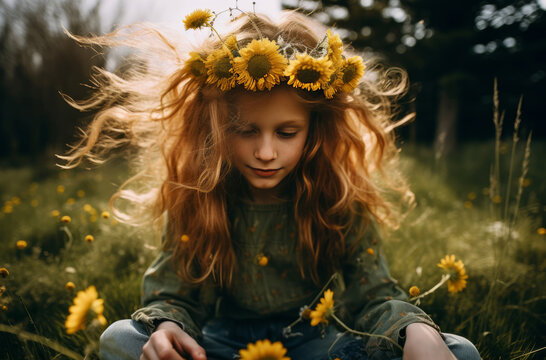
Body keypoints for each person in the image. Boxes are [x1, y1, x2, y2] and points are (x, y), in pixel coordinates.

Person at [62, 7, 481, 360]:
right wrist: (168, 326)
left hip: (318, 344)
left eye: (286, 133)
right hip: (218, 345)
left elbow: (372, 295)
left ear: (314, 130)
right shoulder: (200, 198)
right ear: (217, 128)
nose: (265, 152)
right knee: (120, 338)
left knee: (457, 350)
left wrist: (412, 329)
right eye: (246, 130)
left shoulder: (338, 199)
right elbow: (175, 294)